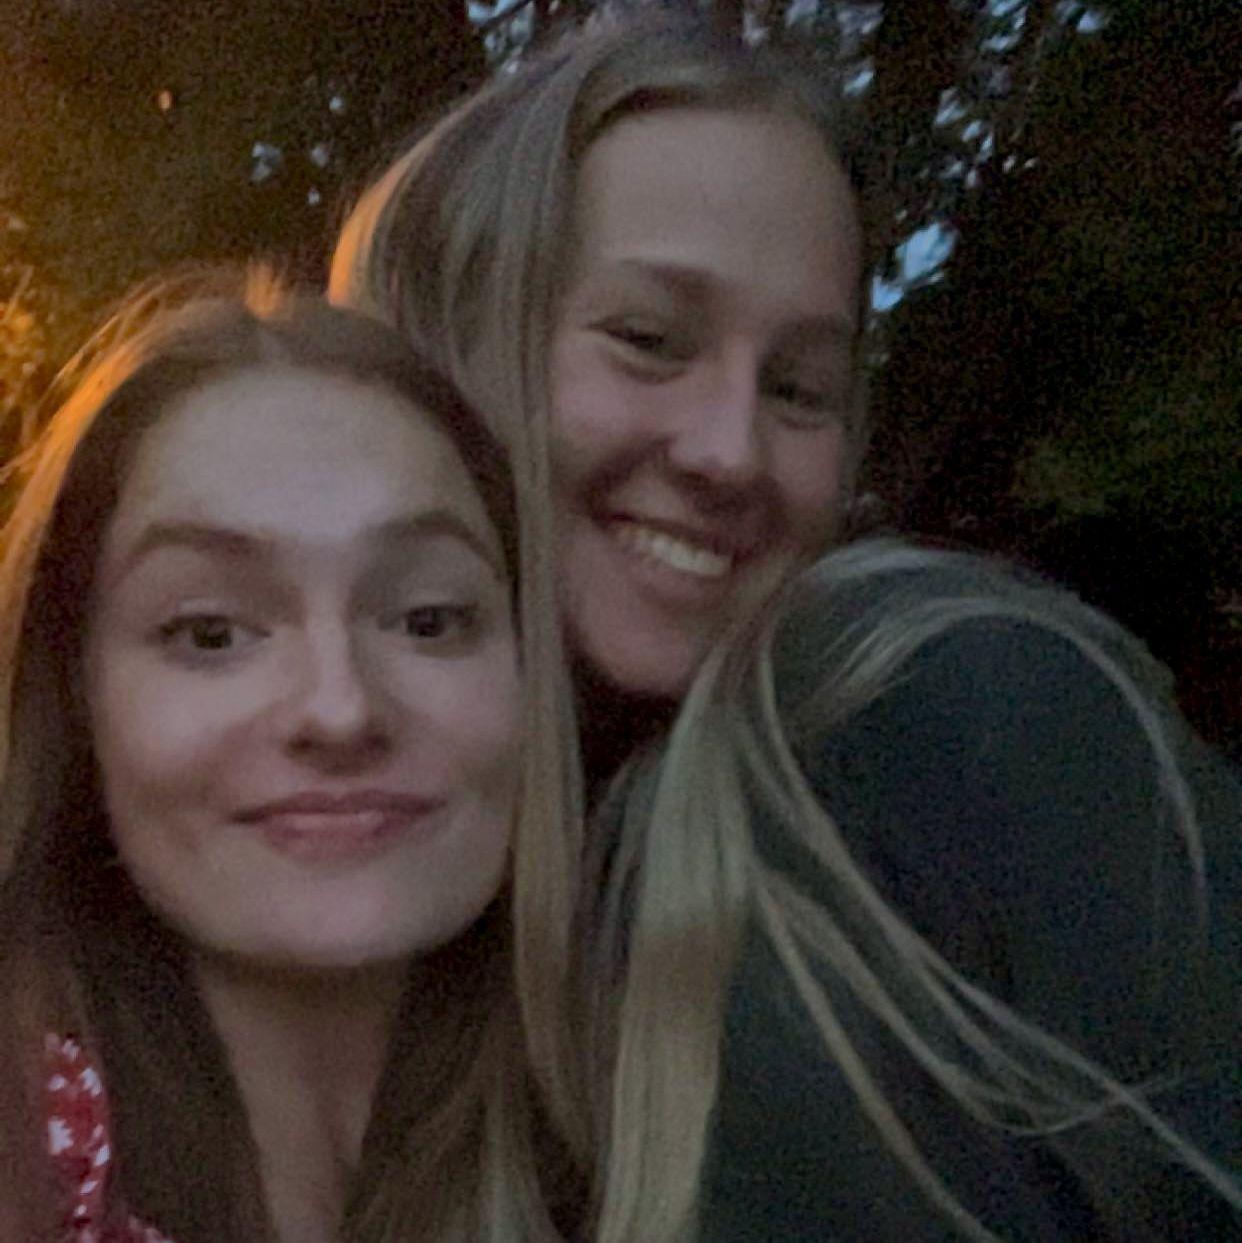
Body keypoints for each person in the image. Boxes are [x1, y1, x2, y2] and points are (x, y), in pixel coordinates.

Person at [331, 13, 1241, 1242]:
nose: (729, 451)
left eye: (800, 388)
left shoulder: (932, 720)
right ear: (449, 352)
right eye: (648, 340)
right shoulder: (335, 917)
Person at [0, 269, 580, 1241]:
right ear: (75, 696)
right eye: (212, 633)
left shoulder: (670, 1139)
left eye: (428, 618)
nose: (340, 709)